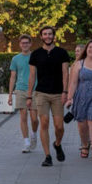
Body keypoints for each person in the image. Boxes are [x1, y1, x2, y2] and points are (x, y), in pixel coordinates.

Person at [26, 26, 71, 167]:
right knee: (44, 123)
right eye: (45, 34)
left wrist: (65, 92)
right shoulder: (36, 54)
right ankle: (47, 156)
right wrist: (29, 96)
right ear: (41, 36)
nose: (47, 36)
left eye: (50, 34)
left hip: (58, 94)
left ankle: (57, 144)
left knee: (59, 126)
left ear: (53, 36)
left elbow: (65, 73)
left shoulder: (62, 53)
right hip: (41, 93)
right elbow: (32, 76)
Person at [7, 35, 38, 152]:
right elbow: (12, 77)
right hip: (20, 89)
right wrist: (10, 94)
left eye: (27, 43)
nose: (25, 45)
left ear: (30, 44)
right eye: (22, 43)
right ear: (20, 44)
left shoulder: (35, 56)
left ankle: (34, 134)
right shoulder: (15, 59)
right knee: (23, 116)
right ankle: (26, 142)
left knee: (34, 119)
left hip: (34, 90)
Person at [71, 43, 92, 157]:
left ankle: (89, 140)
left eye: (78, 51)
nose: (76, 53)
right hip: (78, 96)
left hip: (90, 95)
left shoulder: (90, 64)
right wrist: (69, 96)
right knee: (81, 121)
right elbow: (71, 82)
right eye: (75, 51)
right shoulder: (74, 65)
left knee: (90, 120)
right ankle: (84, 141)